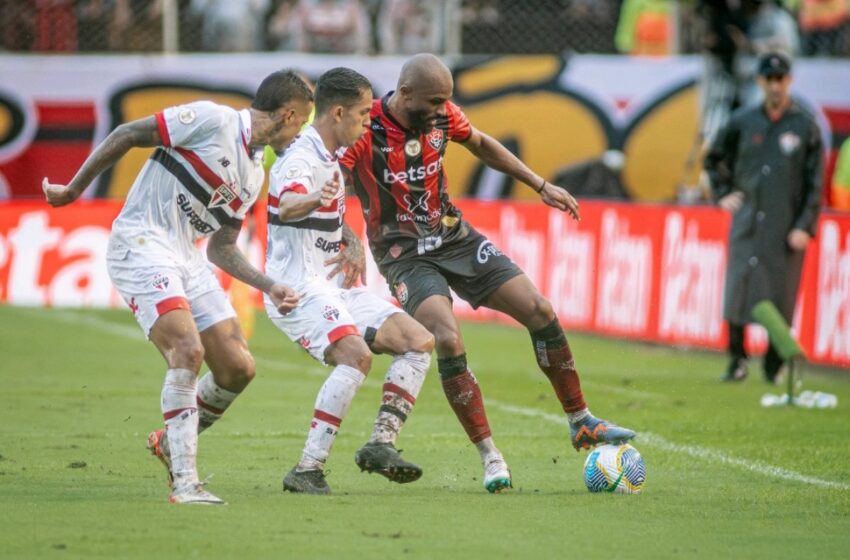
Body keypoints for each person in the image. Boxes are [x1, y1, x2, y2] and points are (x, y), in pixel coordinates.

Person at [340, 53, 636, 494]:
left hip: (455, 236)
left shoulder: (442, 117)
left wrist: (540, 184)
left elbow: (480, 143)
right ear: (404, 95)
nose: (443, 111)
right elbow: (332, 184)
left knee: (539, 308)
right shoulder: (367, 132)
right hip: (403, 255)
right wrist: (346, 233)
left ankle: (581, 422)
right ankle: (489, 454)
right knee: (447, 337)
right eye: (435, 102)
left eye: (447, 102)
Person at [42, 69, 314, 504]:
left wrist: (270, 284)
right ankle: (186, 482)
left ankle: (171, 441)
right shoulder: (214, 119)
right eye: (301, 121)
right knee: (187, 351)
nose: (300, 132)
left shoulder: (254, 174)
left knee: (238, 367)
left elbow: (221, 249)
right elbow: (129, 132)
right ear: (287, 113)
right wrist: (76, 189)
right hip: (142, 240)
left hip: (187, 255)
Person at [266, 67, 434, 495]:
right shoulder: (302, 157)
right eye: (362, 114)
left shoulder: (329, 159)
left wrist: (350, 241)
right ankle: (307, 469)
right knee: (356, 356)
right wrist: (310, 199)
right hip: (297, 290)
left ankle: (381, 444)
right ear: (337, 111)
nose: (367, 123)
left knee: (418, 341)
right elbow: (285, 206)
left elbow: (327, 219)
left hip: (335, 286)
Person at [704, 52, 823, 383]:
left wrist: (804, 226)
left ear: (789, 80)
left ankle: (774, 364)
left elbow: (816, 183)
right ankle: (736, 358)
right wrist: (722, 193)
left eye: (780, 79)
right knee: (739, 287)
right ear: (760, 82)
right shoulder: (743, 120)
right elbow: (713, 159)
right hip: (747, 219)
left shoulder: (804, 124)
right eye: (769, 79)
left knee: (780, 293)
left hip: (785, 225)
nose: (775, 85)